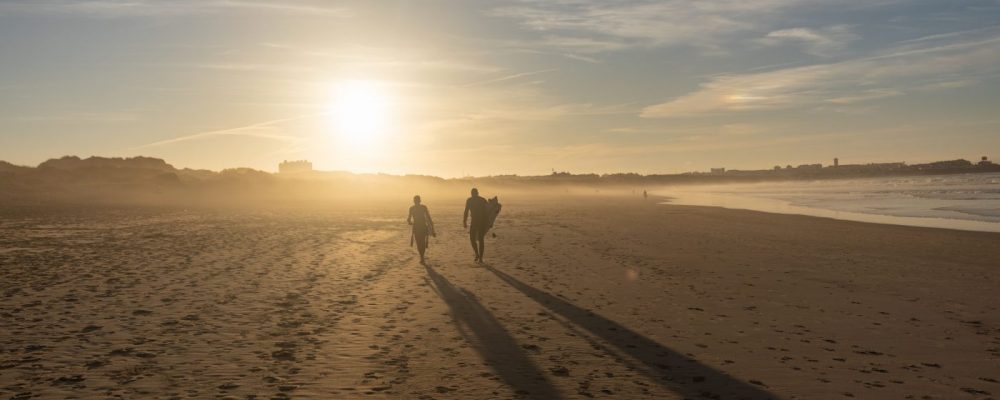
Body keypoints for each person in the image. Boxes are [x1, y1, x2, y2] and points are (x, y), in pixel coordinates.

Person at [463, 188, 489, 263]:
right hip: (477, 222)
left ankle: (479, 256)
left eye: (474, 193)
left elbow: (487, 211)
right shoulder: (471, 200)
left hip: (480, 222)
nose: (474, 195)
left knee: (479, 239)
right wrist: (464, 221)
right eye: (473, 193)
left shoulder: (481, 200)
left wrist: (464, 221)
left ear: (476, 193)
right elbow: (466, 211)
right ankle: (478, 255)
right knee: (474, 239)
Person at [407, 195, 435, 264]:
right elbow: (409, 218)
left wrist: (410, 222)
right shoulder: (419, 208)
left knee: (420, 243)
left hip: (420, 227)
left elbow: (428, 217)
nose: (416, 202)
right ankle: (422, 256)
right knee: (420, 243)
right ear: (419, 200)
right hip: (419, 227)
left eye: (416, 200)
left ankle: (422, 256)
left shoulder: (416, 208)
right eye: (416, 200)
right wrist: (409, 222)